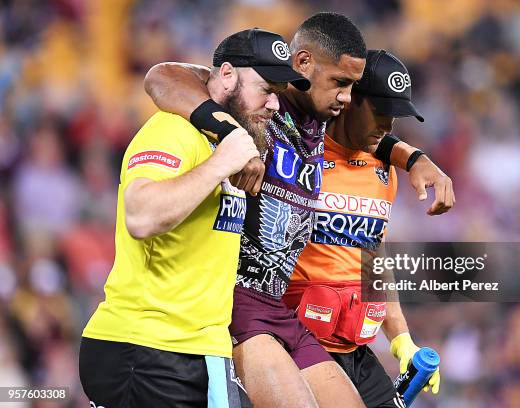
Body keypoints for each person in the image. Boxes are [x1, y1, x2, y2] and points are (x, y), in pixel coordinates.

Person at [144, 12, 454, 408]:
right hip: (234, 301)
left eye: (352, 87)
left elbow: (367, 134)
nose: (345, 96)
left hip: (279, 311)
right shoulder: (259, 110)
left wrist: (414, 158)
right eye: (340, 84)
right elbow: (162, 77)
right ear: (304, 64)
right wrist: (231, 134)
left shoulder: (321, 125)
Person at [79, 28, 309, 408]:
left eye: (279, 95)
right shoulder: (172, 130)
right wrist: (221, 163)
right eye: (266, 89)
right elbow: (140, 215)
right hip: (146, 348)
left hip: (199, 350)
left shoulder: (229, 142)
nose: (274, 105)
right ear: (228, 75)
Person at [283, 50, 445, 408]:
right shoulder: (298, 150)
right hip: (296, 345)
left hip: (354, 348)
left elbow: (373, 263)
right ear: (348, 99)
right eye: (380, 112)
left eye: (393, 116)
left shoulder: (383, 170)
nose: (388, 126)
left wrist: (402, 339)